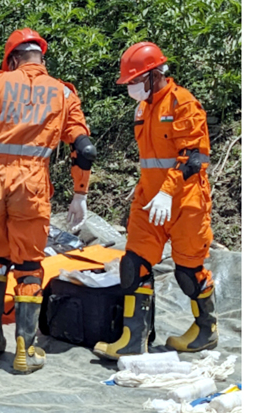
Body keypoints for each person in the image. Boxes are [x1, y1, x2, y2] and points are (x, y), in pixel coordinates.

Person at [0, 28, 95, 374]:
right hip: (31, 182)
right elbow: (84, 148)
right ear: (40, 58)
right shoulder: (63, 93)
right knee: (30, 264)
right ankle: (25, 348)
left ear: (13, 59)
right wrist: (80, 193)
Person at [93, 42, 216, 360]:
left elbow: (193, 158)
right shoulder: (142, 108)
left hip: (185, 200)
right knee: (134, 266)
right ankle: (134, 340)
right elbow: (150, 162)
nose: (131, 87)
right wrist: (153, 192)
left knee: (189, 273)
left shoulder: (183, 103)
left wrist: (167, 191)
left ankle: (206, 330)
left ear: (154, 75)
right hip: (150, 200)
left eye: (134, 80)